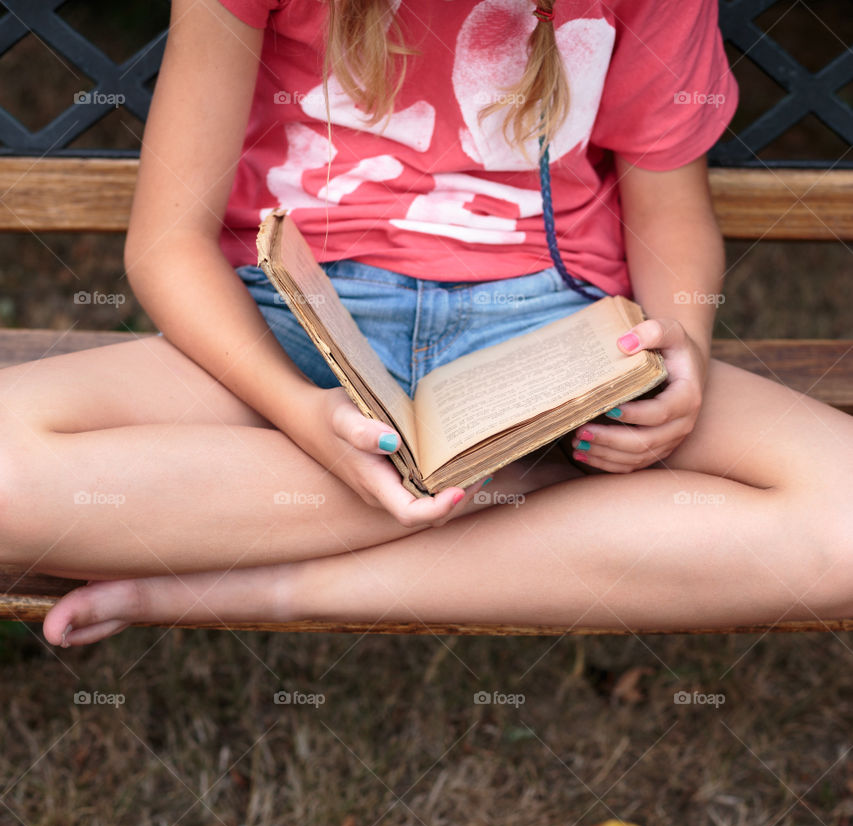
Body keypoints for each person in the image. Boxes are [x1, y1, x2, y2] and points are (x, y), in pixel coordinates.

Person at [3, 0, 851, 645]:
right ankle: (527, 485)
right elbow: (165, 243)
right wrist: (301, 416)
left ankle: (273, 584)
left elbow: (667, 218)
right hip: (294, 325)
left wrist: (679, 351)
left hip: (550, 341)